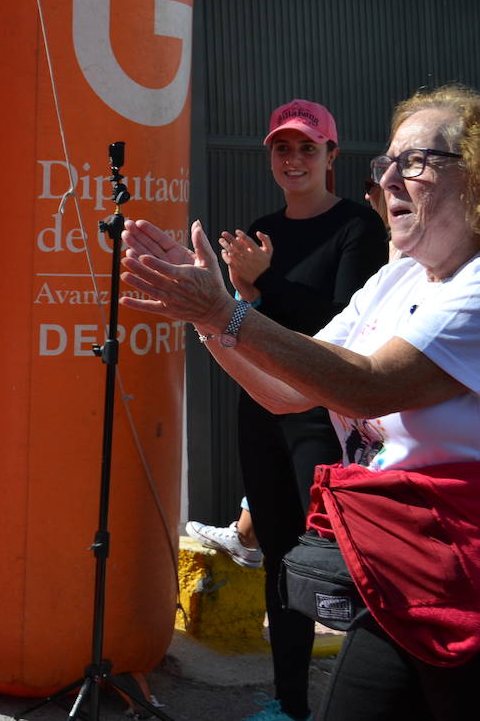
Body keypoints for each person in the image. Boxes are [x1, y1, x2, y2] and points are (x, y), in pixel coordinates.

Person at [121, 84, 480, 721]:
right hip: (400, 573)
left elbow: (368, 383)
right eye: (386, 163)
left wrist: (224, 309)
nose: (390, 177)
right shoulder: (398, 273)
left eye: (416, 161)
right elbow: (288, 392)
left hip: (463, 579)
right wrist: (208, 319)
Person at [187, 99, 388, 720]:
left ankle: (365, 699)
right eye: (282, 148)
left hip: (325, 415)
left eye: (307, 147)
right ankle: (290, 703)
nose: (294, 159)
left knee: (330, 557)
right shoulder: (259, 231)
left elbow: (339, 331)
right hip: (262, 404)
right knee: (277, 552)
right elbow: (254, 330)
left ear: (332, 154)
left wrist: (260, 286)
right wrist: (236, 295)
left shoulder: (358, 226)